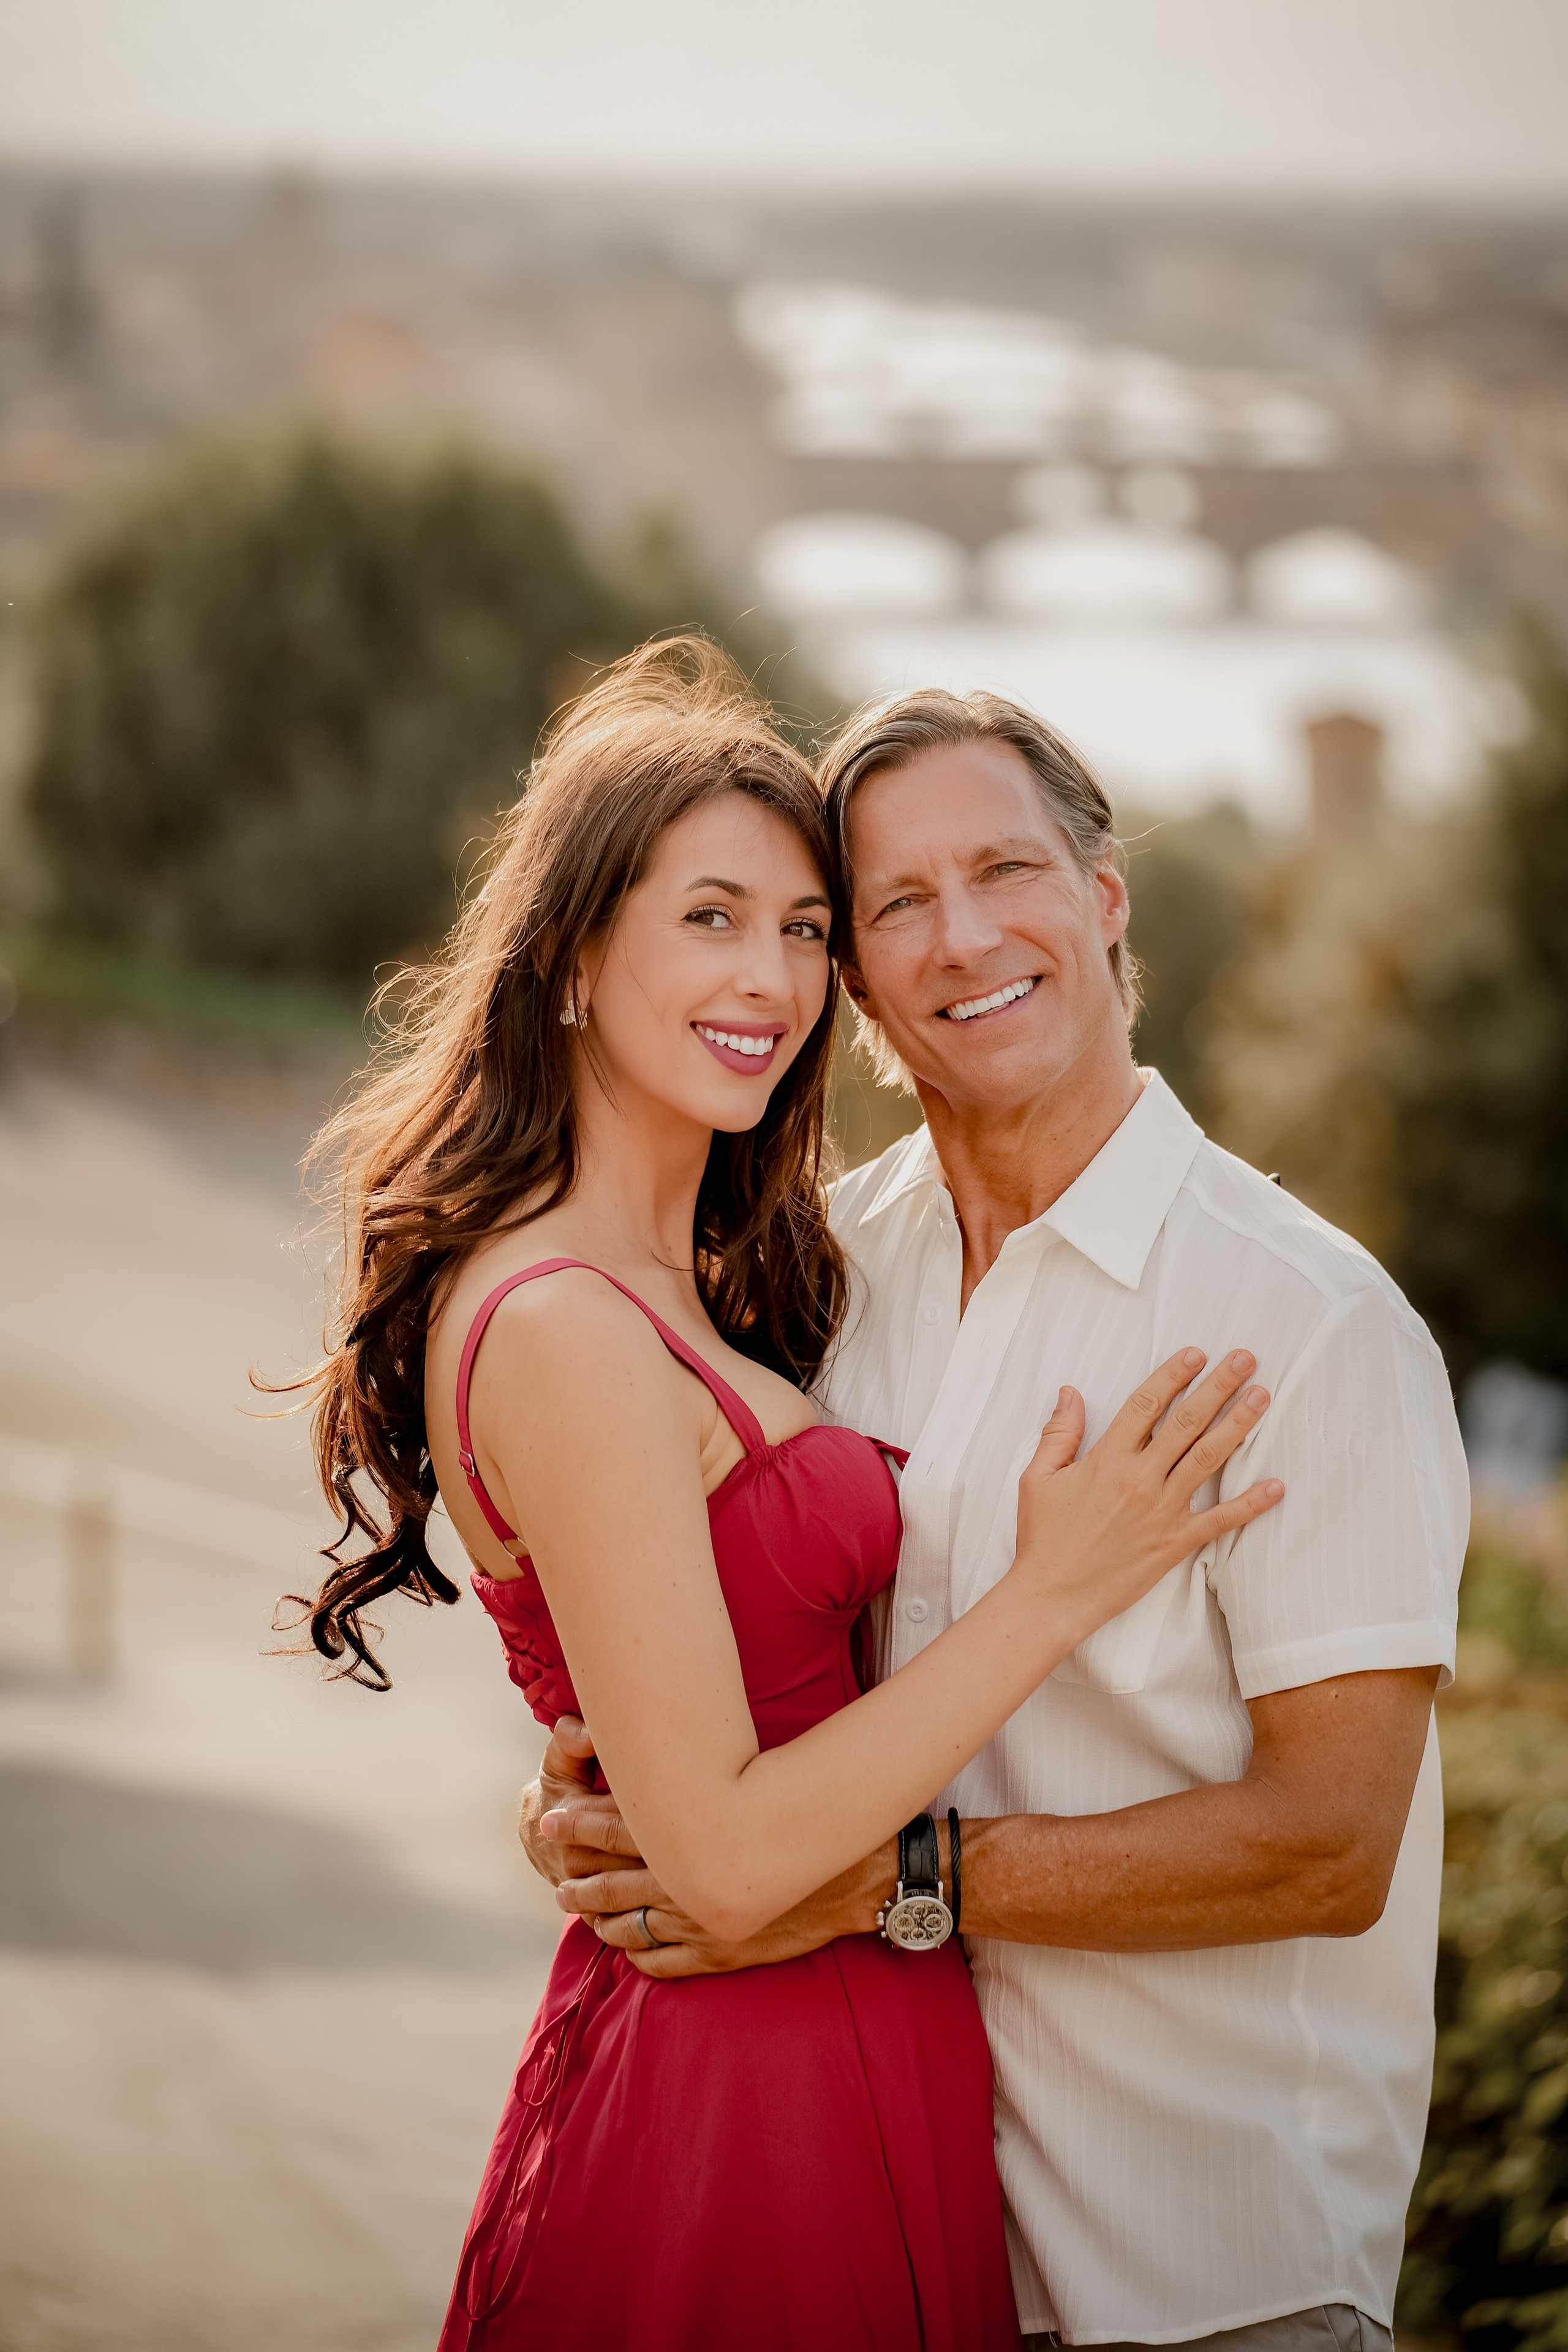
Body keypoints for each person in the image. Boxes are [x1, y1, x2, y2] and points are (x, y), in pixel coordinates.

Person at [290, 642, 1281, 2352]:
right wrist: (1057, 1591)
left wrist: (589, 1796)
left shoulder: (719, 1289)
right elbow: (737, 1861)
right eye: (711, 918)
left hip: (850, 2049)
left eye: (810, 929)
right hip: (738, 2093)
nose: (772, 976)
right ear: (574, 956)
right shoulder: (566, 1323)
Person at [523, 687, 1470, 2352]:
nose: (963, 938)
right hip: (880, 2230)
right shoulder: (806, 1279)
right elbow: (730, 1665)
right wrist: (611, 1806)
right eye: (897, 903)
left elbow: (1331, 1843)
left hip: (1216, 2282)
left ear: (1103, 900)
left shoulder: (1310, 1324)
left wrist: (884, 1883)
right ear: (856, 980)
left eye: (1006, 872)